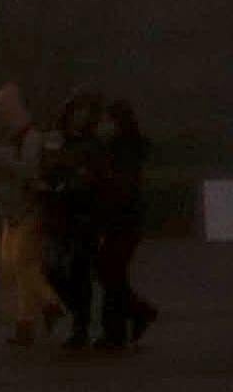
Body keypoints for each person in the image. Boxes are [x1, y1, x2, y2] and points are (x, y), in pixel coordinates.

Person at [0, 82, 61, 344]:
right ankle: (37, 312)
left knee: (22, 264)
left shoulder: (30, 139)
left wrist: (4, 160)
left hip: (28, 209)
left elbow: (29, 172)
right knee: (14, 265)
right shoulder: (9, 140)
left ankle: (32, 318)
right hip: (11, 209)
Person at [85, 95, 158, 349]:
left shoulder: (122, 150)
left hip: (122, 219)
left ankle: (136, 314)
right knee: (113, 273)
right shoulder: (122, 148)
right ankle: (116, 331)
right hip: (124, 219)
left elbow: (120, 187)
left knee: (109, 271)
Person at [37, 91, 107, 348]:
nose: (79, 116)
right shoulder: (56, 142)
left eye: (84, 112)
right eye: (75, 111)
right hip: (58, 215)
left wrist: (76, 181)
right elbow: (46, 169)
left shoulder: (93, 144)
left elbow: (95, 178)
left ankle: (81, 325)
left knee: (80, 270)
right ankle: (76, 314)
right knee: (51, 269)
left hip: (83, 216)